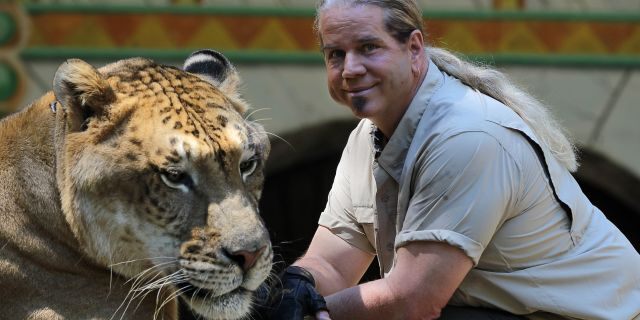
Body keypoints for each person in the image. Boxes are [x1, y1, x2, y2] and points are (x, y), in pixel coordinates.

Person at [257, 0, 640, 319]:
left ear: (415, 49)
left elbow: (413, 299)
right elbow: (334, 265)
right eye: (335, 54)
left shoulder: (467, 135)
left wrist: (311, 313)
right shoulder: (367, 135)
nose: (350, 69)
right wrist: (297, 288)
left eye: (369, 47)